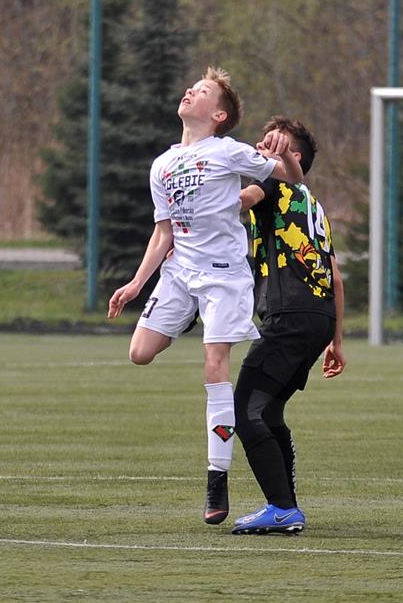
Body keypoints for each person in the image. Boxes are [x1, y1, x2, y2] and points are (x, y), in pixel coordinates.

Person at [107, 67, 303, 526]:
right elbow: (163, 234)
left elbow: (290, 178)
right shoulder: (162, 164)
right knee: (140, 353)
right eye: (192, 88)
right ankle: (189, 315)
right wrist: (136, 283)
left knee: (215, 365)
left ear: (218, 115)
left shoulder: (227, 151)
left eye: (203, 91)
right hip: (179, 274)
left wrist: (284, 156)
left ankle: (217, 478)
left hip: (223, 277)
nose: (190, 91)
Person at [230, 116, 345, 535]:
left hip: (290, 316)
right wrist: (336, 341)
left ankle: (281, 508)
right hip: (318, 318)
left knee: (244, 408)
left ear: (290, 157)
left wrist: (195, 196)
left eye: (269, 144)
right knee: (270, 410)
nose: (259, 148)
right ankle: (285, 505)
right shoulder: (313, 204)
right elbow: (335, 277)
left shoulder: (273, 182)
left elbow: (240, 200)